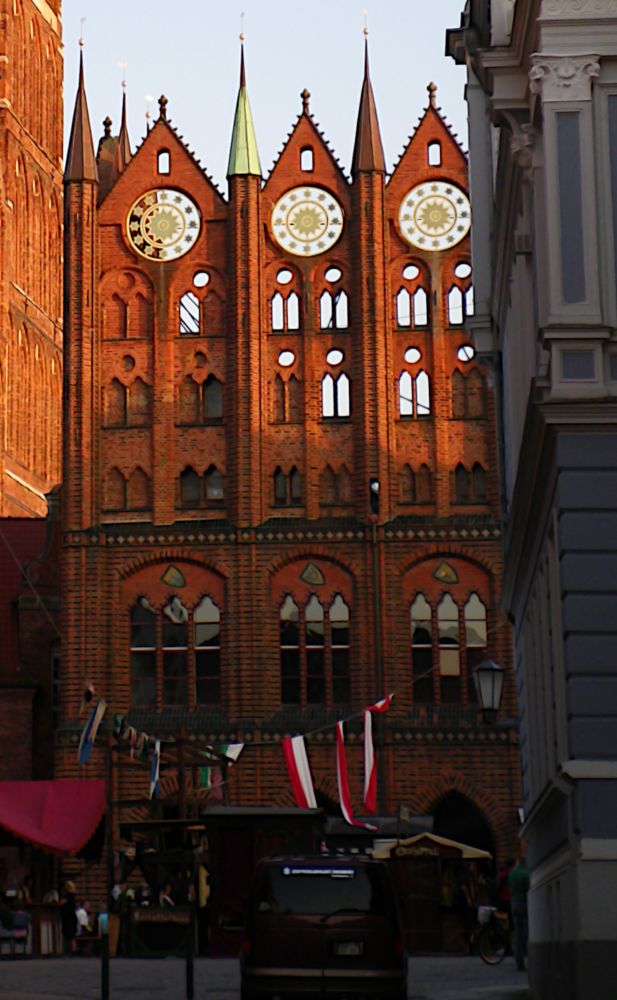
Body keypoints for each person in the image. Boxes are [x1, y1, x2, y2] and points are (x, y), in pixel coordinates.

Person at [508, 855, 530, 971]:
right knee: (526, 931)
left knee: (518, 932)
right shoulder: (526, 874)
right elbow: (528, 889)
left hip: (514, 903)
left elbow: (510, 888)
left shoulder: (511, 874)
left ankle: (518, 960)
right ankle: (527, 953)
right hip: (524, 902)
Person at [59, 880, 78, 954]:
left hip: (68, 917)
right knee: (71, 935)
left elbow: (61, 903)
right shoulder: (73, 895)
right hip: (72, 916)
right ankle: (73, 950)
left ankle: (72, 950)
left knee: (69, 935)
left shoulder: (68, 895)